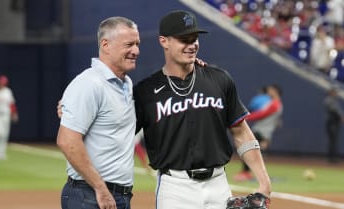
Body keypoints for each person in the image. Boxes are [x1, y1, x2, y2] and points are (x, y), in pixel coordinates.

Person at [133, 10, 271, 209]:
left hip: (218, 184)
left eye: (195, 38)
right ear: (164, 41)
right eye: (184, 39)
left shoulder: (219, 79)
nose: (192, 45)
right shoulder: (146, 91)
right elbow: (122, 138)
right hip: (175, 188)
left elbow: (241, 132)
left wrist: (264, 183)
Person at [56, 16, 140, 209]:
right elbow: (67, 141)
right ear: (106, 45)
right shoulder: (89, 84)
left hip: (115, 195)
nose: (136, 50)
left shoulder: (125, 83)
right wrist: (101, 189)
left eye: (137, 44)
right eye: (129, 44)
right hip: (91, 196)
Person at [234, 84, 283, 181]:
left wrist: (246, 117)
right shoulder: (274, 103)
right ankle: (250, 173)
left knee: (248, 148)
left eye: (270, 90)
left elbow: (262, 114)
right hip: (263, 131)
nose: (269, 92)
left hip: (262, 131)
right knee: (252, 150)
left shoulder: (275, 104)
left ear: (275, 91)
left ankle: (246, 173)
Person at [323, 87, 344, 163]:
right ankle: (331, 158)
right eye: (334, 92)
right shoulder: (328, 100)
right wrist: (341, 116)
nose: (336, 94)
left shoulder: (334, 100)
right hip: (331, 122)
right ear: (331, 93)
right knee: (332, 141)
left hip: (335, 122)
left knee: (334, 141)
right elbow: (334, 109)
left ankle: (333, 157)